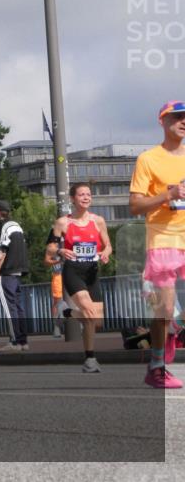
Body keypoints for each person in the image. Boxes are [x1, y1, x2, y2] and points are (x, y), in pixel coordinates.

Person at [129, 100, 185, 389]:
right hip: (164, 238)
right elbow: (135, 205)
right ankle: (157, 366)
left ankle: (177, 328)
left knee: (173, 315)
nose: (182, 121)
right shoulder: (148, 159)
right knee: (164, 308)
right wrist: (168, 194)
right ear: (162, 121)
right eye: (176, 116)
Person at [47, 183, 111, 373]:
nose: (86, 197)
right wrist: (60, 249)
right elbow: (50, 248)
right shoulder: (63, 223)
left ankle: (66, 313)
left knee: (96, 320)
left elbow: (108, 245)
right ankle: (91, 358)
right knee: (89, 313)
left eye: (88, 194)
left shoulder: (98, 221)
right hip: (73, 271)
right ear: (73, 199)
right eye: (81, 194)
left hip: (92, 272)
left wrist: (106, 253)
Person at [0, 200, 30, 351]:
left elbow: (2, 251)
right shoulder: (17, 226)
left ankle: (14, 342)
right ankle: (23, 341)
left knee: (9, 308)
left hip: (6, 271)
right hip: (18, 270)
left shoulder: (3, 226)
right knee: (19, 307)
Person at [44, 243, 65, 338]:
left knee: (76, 300)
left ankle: (77, 326)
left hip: (73, 275)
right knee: (57, 302)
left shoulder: (71, 239)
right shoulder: (52, 245)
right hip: (58, 276)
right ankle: (57, 327)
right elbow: (46, 261)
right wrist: (58, 261)